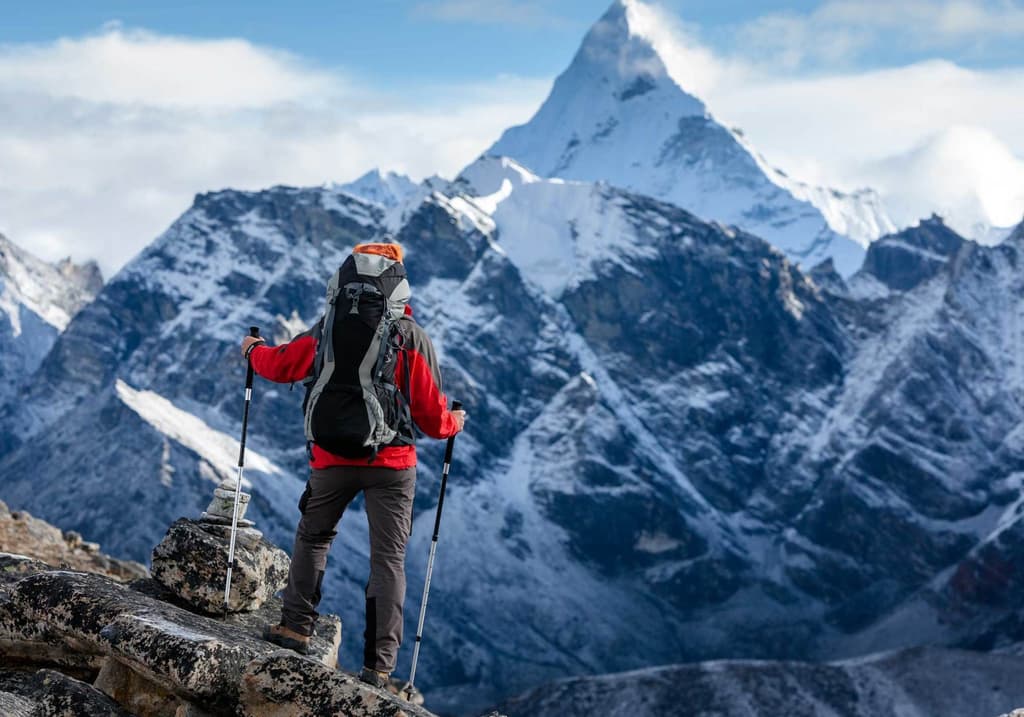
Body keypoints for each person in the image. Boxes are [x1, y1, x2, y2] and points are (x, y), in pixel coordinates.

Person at [240, 242, 465, 693]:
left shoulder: (327, 328)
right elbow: (431, 418)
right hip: (393, 465)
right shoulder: (409, 336)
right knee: (388, 560)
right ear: (398, 285)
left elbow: (283, 365)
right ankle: (378, 668)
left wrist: (252, 350)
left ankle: (295, 629)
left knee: (314, 536)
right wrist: (454, 420)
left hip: (331, 459)